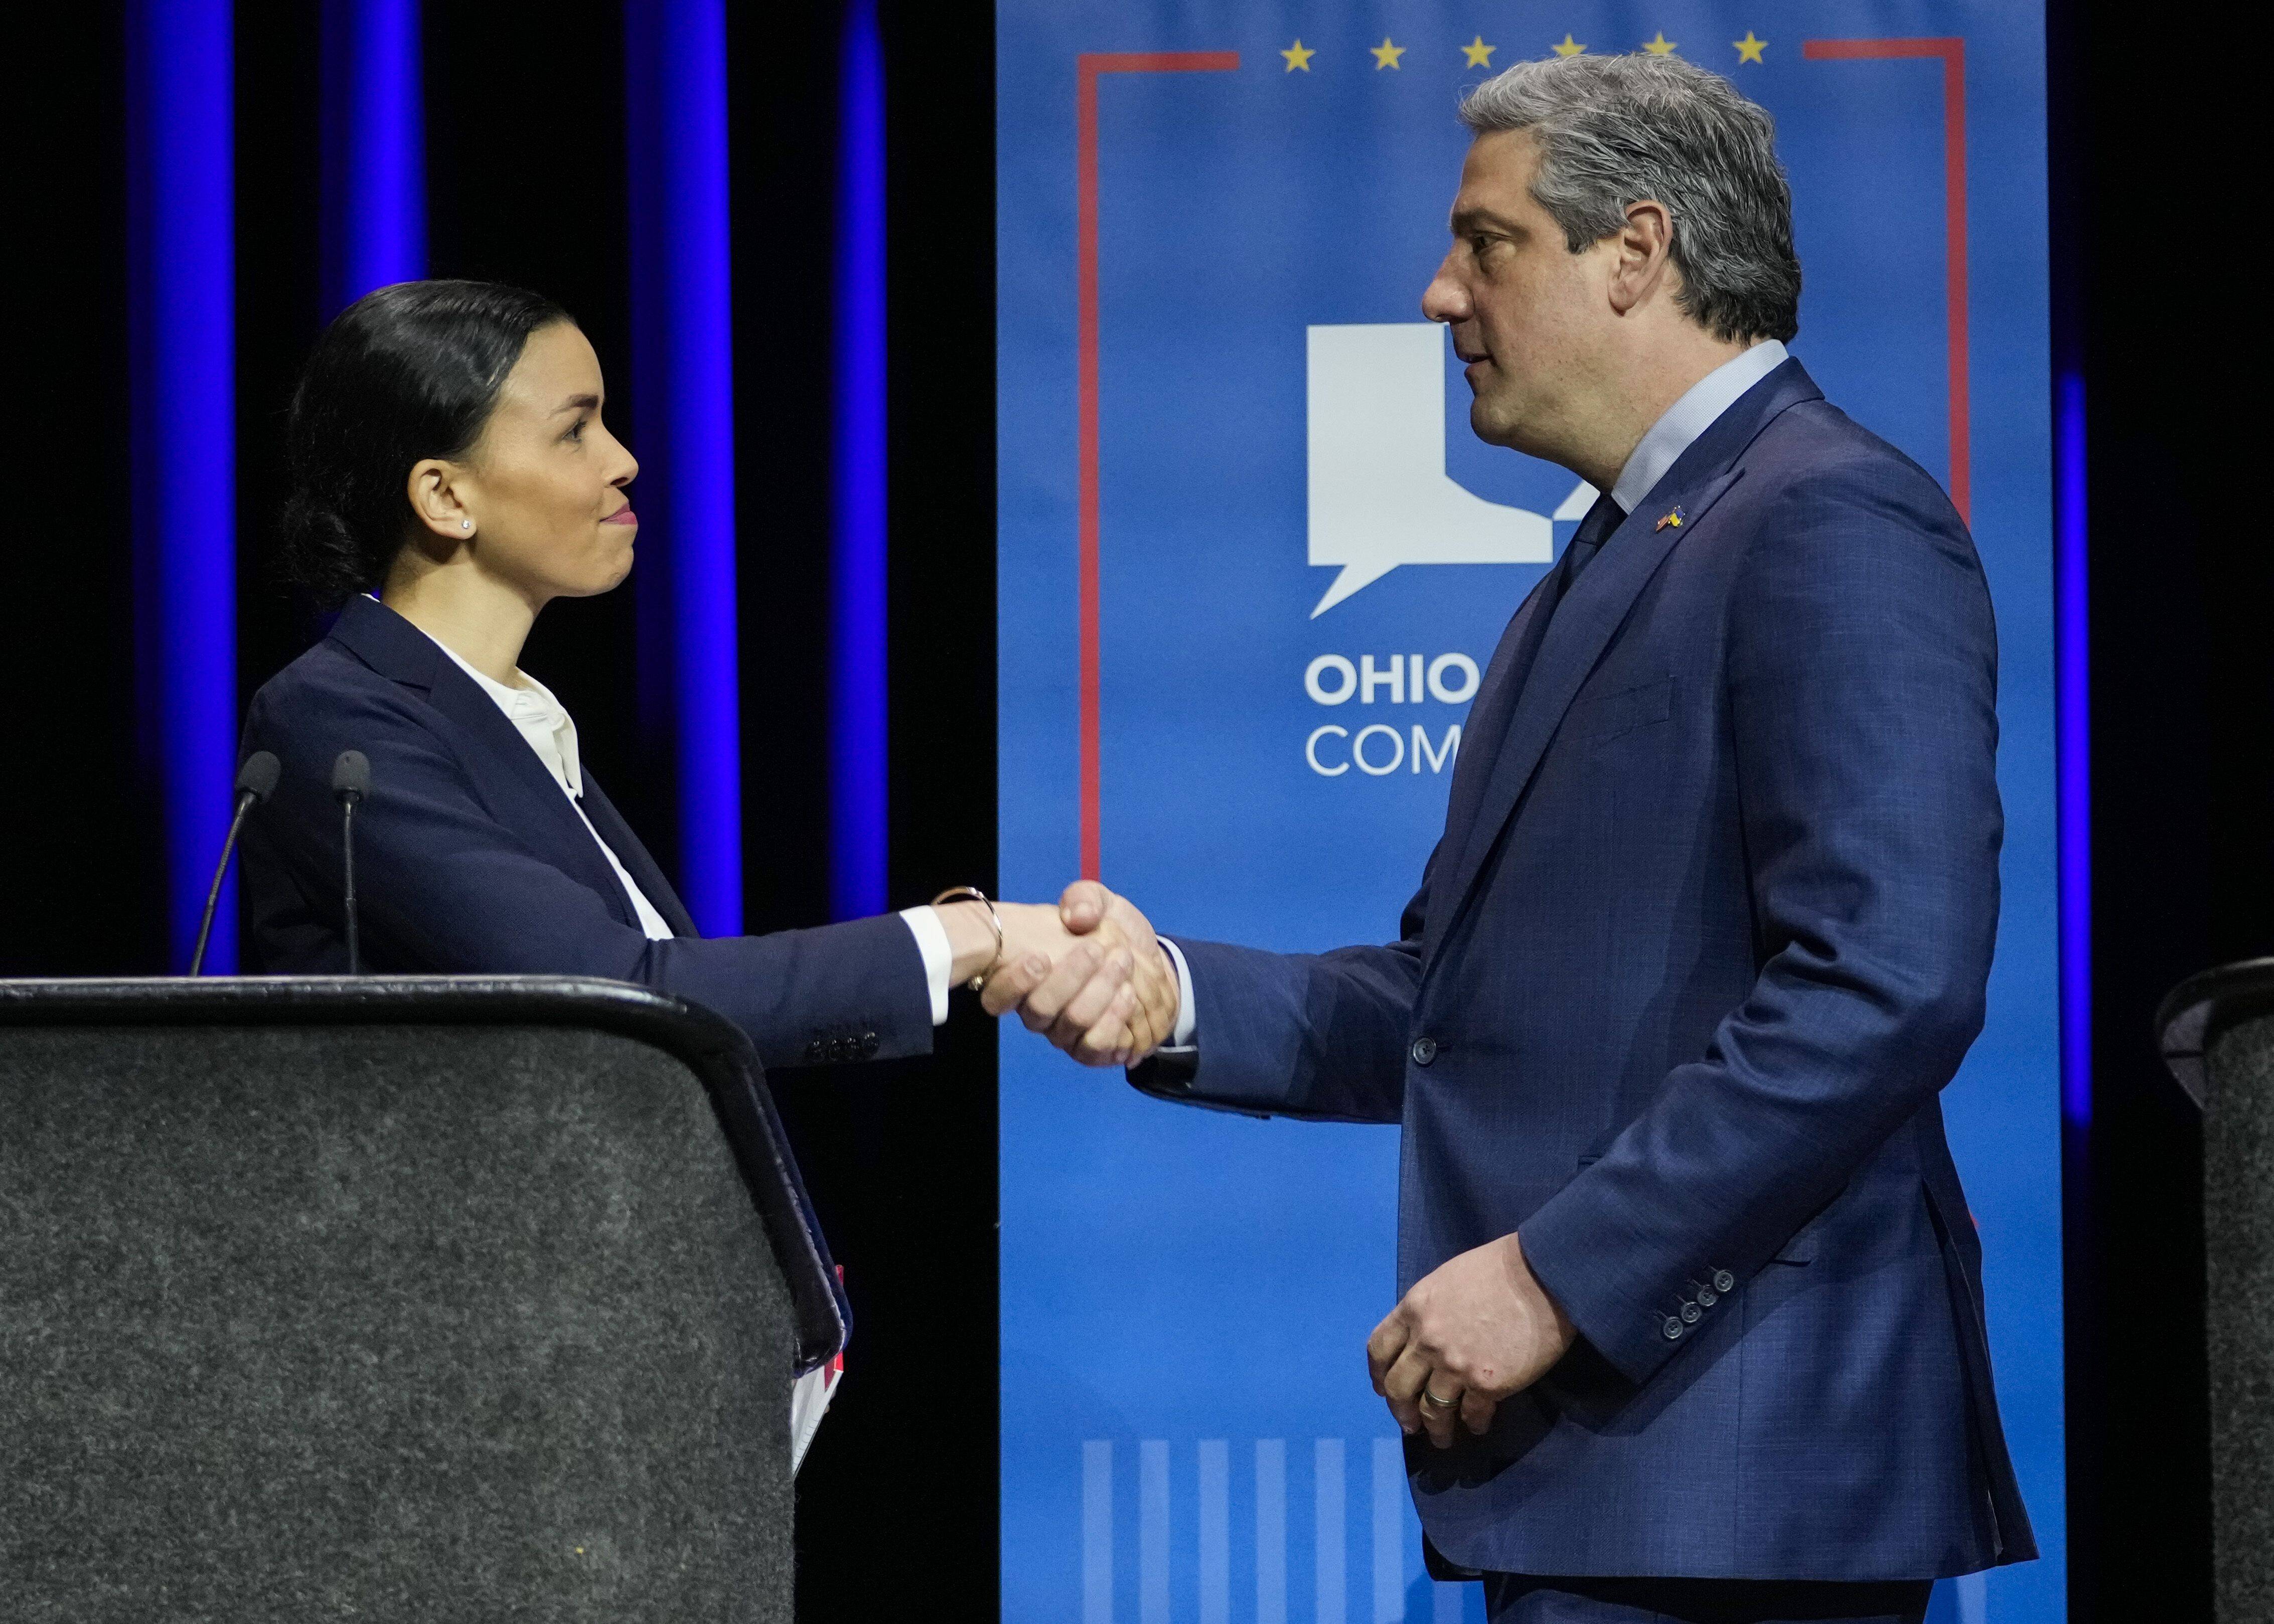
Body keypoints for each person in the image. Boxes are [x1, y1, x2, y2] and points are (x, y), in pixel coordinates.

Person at [1017, 52, 2035, 1624]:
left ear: (1635, 251)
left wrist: (1559, 1272)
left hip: (1734, 1487)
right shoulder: (1598, 571)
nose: (1436, 295)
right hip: (1606, 1488)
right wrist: (1169, 989)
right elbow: (1450, 1006)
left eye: (1482, 244)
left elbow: (1884, 979)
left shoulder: (1827, 517)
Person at [241, 279, 1172, 1070]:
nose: (624, 460)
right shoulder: (336, 720)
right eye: (576, 431)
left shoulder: (512, 715)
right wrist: (978, 937)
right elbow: (619, 997)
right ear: (445, 496)